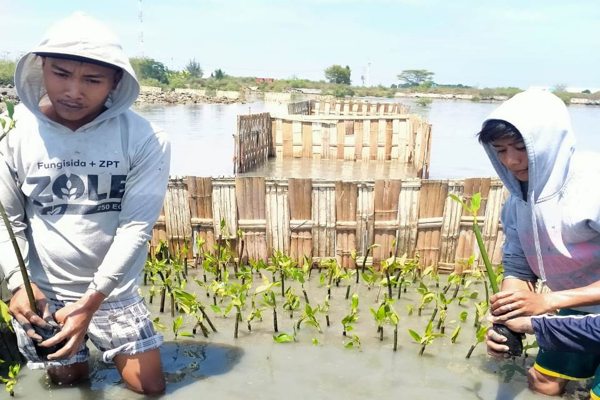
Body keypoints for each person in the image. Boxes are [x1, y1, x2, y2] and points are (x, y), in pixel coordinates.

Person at [0, 12, 170, 395]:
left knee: (150, 389)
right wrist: (17, 285)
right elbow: (8, 220)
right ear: (42, 67)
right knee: (68, 385)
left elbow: (135, 228)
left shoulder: (146, 137)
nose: (74, 91)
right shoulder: (12, 134)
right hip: (45, 295)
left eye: (92, 80)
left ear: (114, 83)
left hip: (114, 294)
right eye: (61, 73)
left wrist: (92, 302)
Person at [477, 88, 600, 398]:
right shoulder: (516, 202)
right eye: (501, 150)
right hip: (575, 309)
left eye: (521, 147)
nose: (512, 160)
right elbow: (517, 268)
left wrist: (549, 302)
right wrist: (505, 325)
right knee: (542, 384)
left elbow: (546, 302)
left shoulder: (593, 187)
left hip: (571, 304)